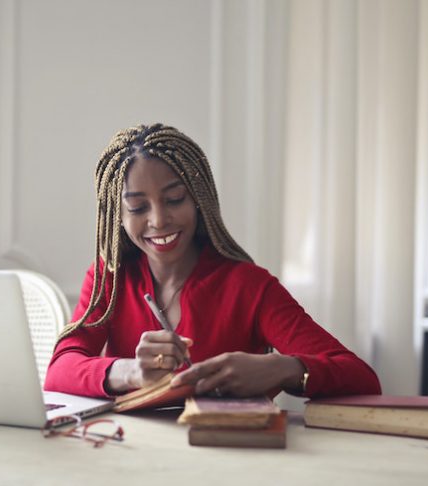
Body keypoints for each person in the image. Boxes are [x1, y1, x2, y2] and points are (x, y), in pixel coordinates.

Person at [44, 123, 381, 399]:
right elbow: (59, 370)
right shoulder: (110, 278)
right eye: (138, 207)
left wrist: (282, 368)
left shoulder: (249, 286)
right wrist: (130, 371)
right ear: (117, 215)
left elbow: (361, 378)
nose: (159, 220)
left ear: (199, 200)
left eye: (175, 199)